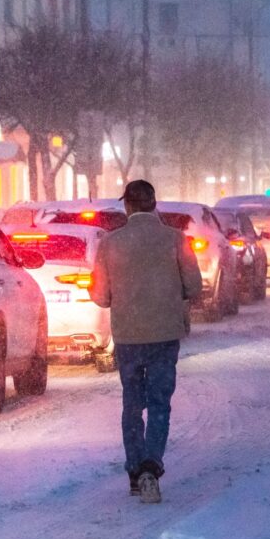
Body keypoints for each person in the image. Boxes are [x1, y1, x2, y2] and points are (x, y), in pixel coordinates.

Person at [91, 180, 202, 504]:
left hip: (128, 337)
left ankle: (134, 470)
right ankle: (152, 466)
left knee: (132, 403)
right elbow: (193, 286)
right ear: (155, 204)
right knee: (158, 403)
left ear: (127, 206)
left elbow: (100, 295)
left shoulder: (110, 244)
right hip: (165, 335)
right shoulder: (175, 240)